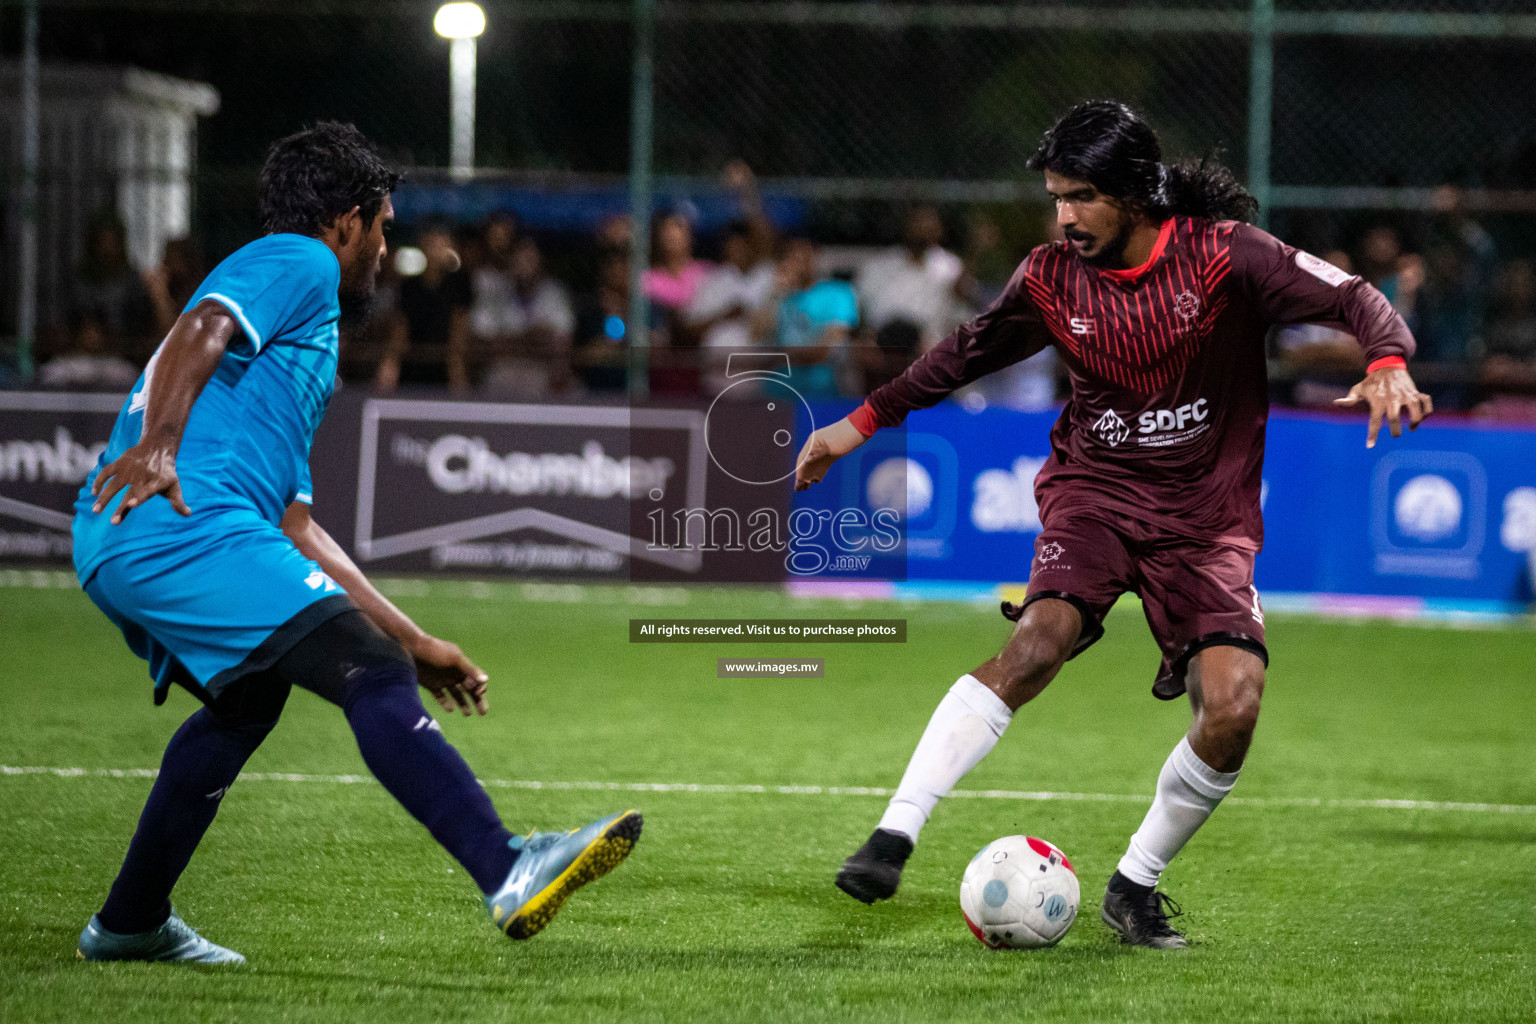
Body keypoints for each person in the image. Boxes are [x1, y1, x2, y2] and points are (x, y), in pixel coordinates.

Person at [796, 101, 1430, 949]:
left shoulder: (1225, 257)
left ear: (1136, 193)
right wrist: (857, 424)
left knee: (1234, 708)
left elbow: (1354, 297)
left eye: (1083, 196)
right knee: (1037, 643)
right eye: (1057, 196)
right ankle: (894, 832)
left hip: (1207, 521)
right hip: (1095, 493)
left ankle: (1135, 886)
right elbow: (967, 350)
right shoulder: (1052, 276)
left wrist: (1386, 361)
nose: (1065, 215)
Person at [70, 122, 640, 965]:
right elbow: (201, 323)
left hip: (150, 530)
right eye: (383, 226)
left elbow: (296, 524)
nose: (385, 246)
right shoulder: (296, 258)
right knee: (363, 672)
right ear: (345, 221)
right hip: (174, 518)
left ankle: (129, 923)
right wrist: (159, 443)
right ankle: (506, 864)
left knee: (249, 703)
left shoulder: (308, 343)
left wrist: (413, 638)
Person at [753, 237, 857, 399]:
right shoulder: (778, 295)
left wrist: (779, 357)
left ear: (815, 257)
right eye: (793, 257)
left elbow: (827, 348)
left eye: (804, 256)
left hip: (822, 390)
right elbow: (756, 334)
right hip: (777, 391)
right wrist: (774, 294)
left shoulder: (838, 292)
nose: (799, 263)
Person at [375, 222, 473, 392]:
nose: (437, 250)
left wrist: (457, 377)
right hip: (413, 366)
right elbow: (400, 329)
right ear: (423, 245)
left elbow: (459, 329)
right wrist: (390, 365)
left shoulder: (460, 285)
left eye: (442, 244)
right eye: (433, 244)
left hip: (446, 371)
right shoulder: (409, 287)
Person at [474, 236, 576, 399]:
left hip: (543, 369)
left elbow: (562, 343)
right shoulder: (495, 293)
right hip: (504, 369)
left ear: (540, 263)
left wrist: (512, 340)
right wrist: (529, 337)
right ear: (511, 262)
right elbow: (484, 342)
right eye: (519, 260)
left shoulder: (555, 293)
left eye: (530, 260)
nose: (524, 266)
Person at [854, 205, 967, 352]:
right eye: (917, 224)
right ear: (905, 227)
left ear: (939, 231)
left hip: (928, 348)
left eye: (928, 226)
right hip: (881, 344)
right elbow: (858, 311)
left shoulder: (951, 267)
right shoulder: (879, 265)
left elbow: (961, 314)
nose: (921, 231)